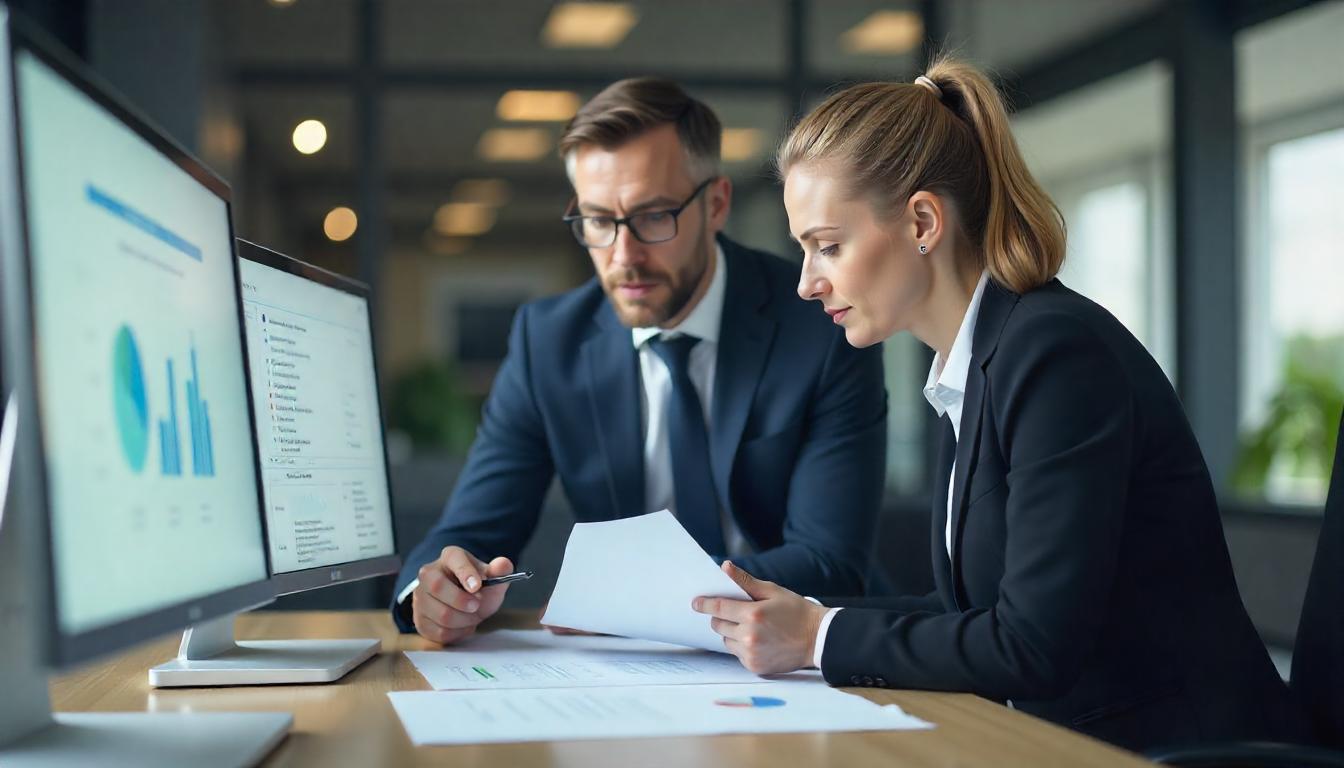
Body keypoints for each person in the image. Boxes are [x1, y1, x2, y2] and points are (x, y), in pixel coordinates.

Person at [693, 58, 1303, 750]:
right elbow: (972, 614)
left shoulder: (1053, 353)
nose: (808, 283)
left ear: (923, 221)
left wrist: (818, 637)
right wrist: (803, 618)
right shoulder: (980, 361)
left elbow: (1032, 644)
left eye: (827, 246)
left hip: (1179, 750)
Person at [392, 77, 888, 646]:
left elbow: (831, 562)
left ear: (717, 204)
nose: (624, 256)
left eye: (654, 217)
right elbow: (470, 530)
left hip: (800, 653)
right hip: (632, 668)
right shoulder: (548, 341)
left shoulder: (820, 323)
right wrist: (434, 591)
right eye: (599, 221)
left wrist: (629, 598)